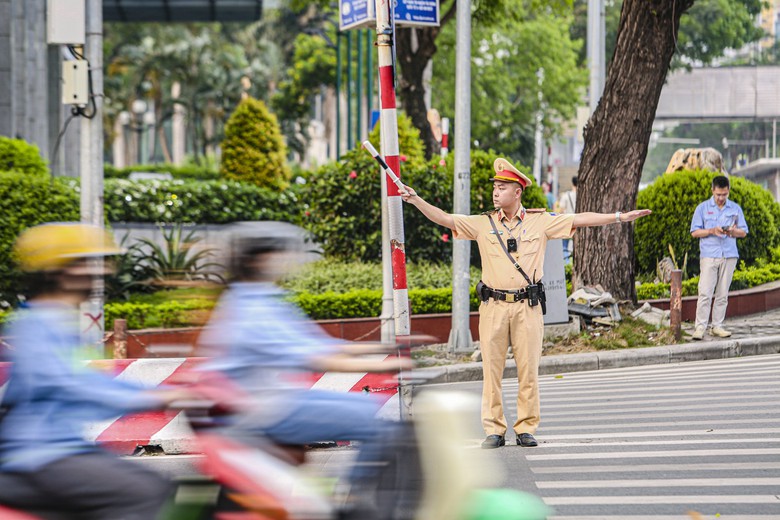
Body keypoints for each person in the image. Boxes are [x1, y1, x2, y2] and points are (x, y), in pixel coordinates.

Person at [399, 158, 651, 449]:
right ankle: (494, 429)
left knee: (527, 371)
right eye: (495, 187)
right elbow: (445, 218)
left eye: (502, 187)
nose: (496, 192)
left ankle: (525, 427)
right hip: (493, 306)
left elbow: (580, 219)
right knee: (490, 372)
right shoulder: (484, 223)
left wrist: (619, 217)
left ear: (517, 192)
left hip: (526, 308)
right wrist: (416, 200)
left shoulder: (540, 221)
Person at [197, 224, 414, 508]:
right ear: (258, 261)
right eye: (277, 255)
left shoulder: (263, 298)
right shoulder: (252, 308)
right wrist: (387, 365)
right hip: (261, 409)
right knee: (375, 426)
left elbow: (321, 346)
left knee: (369, 409)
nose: (284, 261)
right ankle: (349, 500)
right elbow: (315, 358)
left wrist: (387, 349)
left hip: (274, 398)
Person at [0, 223, 188, 519]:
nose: (99, 271)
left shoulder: (59, 322)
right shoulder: (37, 325)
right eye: (85, 264)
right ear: (58, 271)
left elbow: (91, 382)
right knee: (147, 493)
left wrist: (161, 394)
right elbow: (71, 385)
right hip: (40, 455)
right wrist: (154, 398)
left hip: (62, 450)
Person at [689, 175, 748, 340]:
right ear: (712, 191)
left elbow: (743, 232)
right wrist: (711, 231)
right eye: (718, 195)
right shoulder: (702, 208)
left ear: (728, 191)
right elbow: (694, 232)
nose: (721, 198)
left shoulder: (735, 209)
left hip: (729, 255)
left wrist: (731, 231)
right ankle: (700, 327)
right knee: (705, 292)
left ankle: (717, 326)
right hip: (709, 255)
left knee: (723, 293)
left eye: (724, 194)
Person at [557, 176, 577, 262]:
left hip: (567, 223)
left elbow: (561, 210)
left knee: (564, 246)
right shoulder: (583, 196)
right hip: (579, 223)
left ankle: (566, 263)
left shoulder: (566, 195)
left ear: (572, 183)